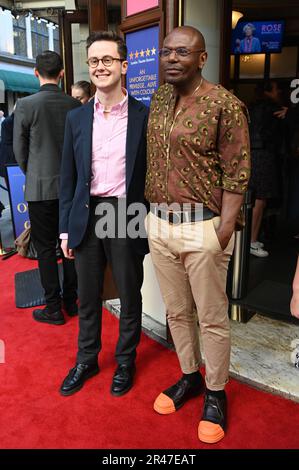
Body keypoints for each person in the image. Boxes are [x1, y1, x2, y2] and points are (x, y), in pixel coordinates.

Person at [145, 26, 250, 444]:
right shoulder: (158, 99)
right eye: (166, 51)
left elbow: (238, 171)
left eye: (182, 52)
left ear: (201, 58)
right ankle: (189, 376)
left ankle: (216, 392)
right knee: (176, 313)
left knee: (210, 316)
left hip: (202, 227)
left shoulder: (225, 104)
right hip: (158, 225)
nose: (171, 58)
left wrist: (224, 229)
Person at [59, 31, 148, 398]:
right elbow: (69, 176)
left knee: (129, 292)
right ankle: (87, 358)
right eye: (94, 61)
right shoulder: (76, 117)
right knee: (88, 293)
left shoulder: (145, 115)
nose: (100, 67)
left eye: (108, 60)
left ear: (124, 66)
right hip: (87, 211)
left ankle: (125, 360)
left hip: (126, 211)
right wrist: (65, 230)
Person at [13, 51, 81, 325]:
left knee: (44, 248)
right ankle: (71, 301)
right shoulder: (74, 106)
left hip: (40, 189)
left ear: (35, 73)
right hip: (71, 188)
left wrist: (34, 172)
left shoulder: (27, 105)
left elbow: (20, 150)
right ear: (62, 74)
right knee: (71, 246)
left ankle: (53, 307)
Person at [249, 81, 284, 257]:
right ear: (269, 91)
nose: (280, 91)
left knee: (249, 200)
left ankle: (247, 239)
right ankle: (252, 241)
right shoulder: (274, 109)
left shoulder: (249, 107)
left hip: (249, 155)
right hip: (264, 156)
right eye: (277, 88)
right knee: (259, 201)